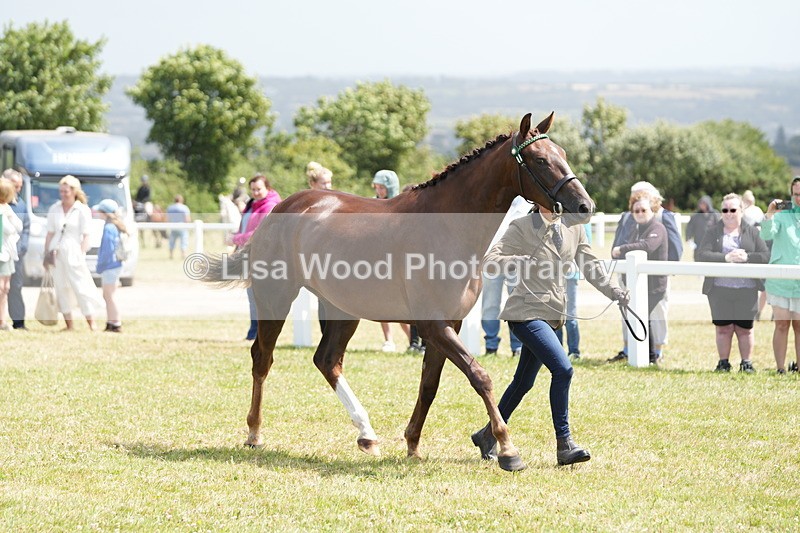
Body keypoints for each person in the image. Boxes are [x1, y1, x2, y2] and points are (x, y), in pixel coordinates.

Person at [470, 205, 628, 465]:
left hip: (554, 315)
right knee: (563, 369)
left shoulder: (574, 227)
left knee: (523, 383)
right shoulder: (522, 226)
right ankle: (564, 444)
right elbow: (489, 261)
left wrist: (615, 290)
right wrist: (516, 261)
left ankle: (487, 434)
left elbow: (590, 266)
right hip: (525, 312)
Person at [609, 182, 682, 362]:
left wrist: (667, 269)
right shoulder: (629, 219)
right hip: (629, 275)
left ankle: (657, 352)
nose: (640, 211)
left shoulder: (663, 219)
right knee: (632, 313)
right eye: (636, 206)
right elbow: (619, 240)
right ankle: (630, 349)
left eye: (643, 207)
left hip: (656, 277)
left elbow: (674, 246)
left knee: (657, 315)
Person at [697, 193, 769, 372]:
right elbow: (702, 254)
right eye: (725, 210)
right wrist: (725, 257)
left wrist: (747, 257)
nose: (729, 213)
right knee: (723, 328)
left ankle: (746, 363)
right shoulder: (712, 232)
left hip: (747, 288)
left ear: (741, 211)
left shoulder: (752, 232)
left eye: (733, 210)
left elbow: (765, 255)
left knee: (745, 329)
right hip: (719, 289)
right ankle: (723, 363)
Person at [43, 175, 103, 331]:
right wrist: (46, 253)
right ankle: (69, 324)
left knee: (80, 287)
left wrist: (81, 254)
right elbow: (50, 233)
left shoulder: (82, 209)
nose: (63, 194)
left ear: (74, 191)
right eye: (61, 191)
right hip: (56, 252)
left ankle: (91, 322)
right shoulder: (54, 208)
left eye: (66, 191)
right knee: (60, 287)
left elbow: (87, 235)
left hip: (74, 252)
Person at [228, 174, 282, 340]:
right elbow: (243, 226)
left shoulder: (270, 206)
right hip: (249, 253)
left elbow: (260, 232)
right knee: (252, 294)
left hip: (265, 255)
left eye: (259, 189)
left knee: (260, 295)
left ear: (268, 188)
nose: (256, 192)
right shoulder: (252, 204)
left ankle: (259, 331)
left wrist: (235, 239)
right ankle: (255, 329)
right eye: (253, 190)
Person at [760, 176, 800, 374]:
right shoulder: (783, 214)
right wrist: (769, 214)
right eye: (795, 194)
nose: (798, 198)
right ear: (790, 194)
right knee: (782, 325)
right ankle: (780, 368)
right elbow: (766, 235)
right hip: (780, 281)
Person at [482, 196, 528, 357]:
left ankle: (517, 346)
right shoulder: (494, 198)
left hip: (516, 261)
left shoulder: (526, 202)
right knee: (490, 305)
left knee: (515, 304)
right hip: (491, 261)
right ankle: (491, 345)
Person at [371, 170, 411, 352]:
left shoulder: (401, 205)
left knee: (400, 306)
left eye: (382, 187)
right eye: (377, 187)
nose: (379, 191)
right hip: (377, 259)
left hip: (396, 261)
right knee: (381, 305)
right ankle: (388, 340)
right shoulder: (371, 204)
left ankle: (412, 339)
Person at [555, 222, 593, 360]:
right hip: (552, 273)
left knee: (570, 314)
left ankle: (574, 350)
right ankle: (557, 350)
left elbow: (586, 247)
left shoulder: (582, 223)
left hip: (570, 273)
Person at [93, 199, 127, 333]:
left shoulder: (108, 227)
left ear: (105, 213)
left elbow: (107, 250)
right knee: (108, 295)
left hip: (110, 265)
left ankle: (115, 323)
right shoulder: (114, 225)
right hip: (115, 264)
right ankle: (111, 321)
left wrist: (100, 265)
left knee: (109, 296)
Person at [3, 169, 30, 330]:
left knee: (15, 288)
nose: (17, 189)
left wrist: (22, 248)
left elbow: (25, 228)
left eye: (20, 187)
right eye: (15, 185)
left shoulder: (20, 204)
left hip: (16, 254)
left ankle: (18, 322)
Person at [0, 178, 23, 331]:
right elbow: (9, 229)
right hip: (1, 254)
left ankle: (2, 320)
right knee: (1, 287)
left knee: (5, 287)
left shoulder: (6, 208)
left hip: (8, 253)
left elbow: (18, 226)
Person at [686, 195, 720, 259]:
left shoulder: (715, 214)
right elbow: (689, 228)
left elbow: (720, 227)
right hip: (699, 242)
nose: (702, 205)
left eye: (704, 203)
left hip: (711, 242)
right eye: (700, 203)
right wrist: (688, 238)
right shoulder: (695, 216)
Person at [166, 195, 191, 259]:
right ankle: (183, 255)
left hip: (173, 226)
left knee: (172, 241)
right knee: (184, 241)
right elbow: (187, 219)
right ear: (181, 200)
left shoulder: (170, 208)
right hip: (182, 226)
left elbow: (167, 219)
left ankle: (171, 255)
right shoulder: (184, 208)